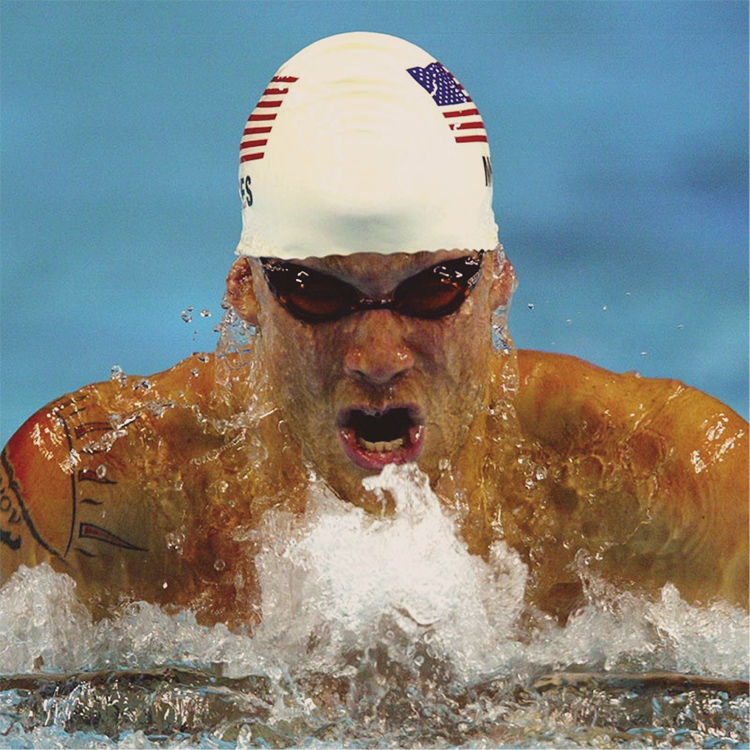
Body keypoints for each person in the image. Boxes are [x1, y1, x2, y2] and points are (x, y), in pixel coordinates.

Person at [1, 32, 747, 629]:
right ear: (245, 293)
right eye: (317, 293)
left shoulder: (678, 482)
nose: (379, 357)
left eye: (432, 288)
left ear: (498, 283)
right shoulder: (86, 489)